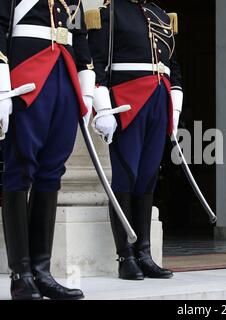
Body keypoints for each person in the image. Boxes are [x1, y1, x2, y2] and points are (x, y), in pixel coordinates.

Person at [0, 0, 94, 299]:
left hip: (63, 73)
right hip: (27, 72)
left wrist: (87, 84)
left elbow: (77, 33)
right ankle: (21, 274)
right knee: (21, 165)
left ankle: (41, 271)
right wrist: (2, 85)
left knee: (52, 169)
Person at [86, 0, 182, 280]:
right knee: (126, 177)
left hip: (158, 99)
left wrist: (174, 106)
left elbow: (173, 66)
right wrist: (103, 107)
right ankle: (125, 255)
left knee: (148, 177)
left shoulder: (162, 14)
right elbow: (97, 62)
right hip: (128, 101)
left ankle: (144, 252)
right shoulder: (109, 12)